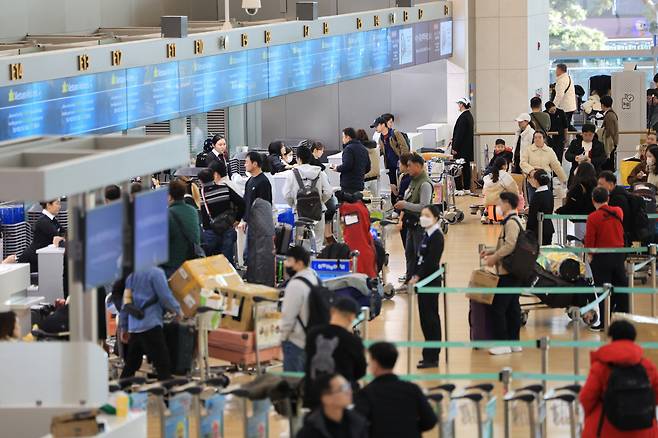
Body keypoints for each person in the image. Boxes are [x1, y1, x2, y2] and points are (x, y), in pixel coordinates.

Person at [580, 320, 658, 438]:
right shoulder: (647, 366)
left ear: (611, 338)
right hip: (643, 429)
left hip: (606, 429)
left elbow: (586, 398)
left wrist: (591, 417)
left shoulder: (601, 366)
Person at [354, 342, 438, 438]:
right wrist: (411, 428)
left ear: (375, 363)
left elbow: (357, 425)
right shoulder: (412, 389)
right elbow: (430, 420)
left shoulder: (366, 393)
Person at [119, 266, 183, 381]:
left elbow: (126, 304)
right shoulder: (156, 273)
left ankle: (120, 393)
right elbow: (165, 297)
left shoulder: (131, 276)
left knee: (131, 365)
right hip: (150, 324)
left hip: (134, 327)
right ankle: (167, 396)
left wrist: (124, 327)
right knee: (163, 365)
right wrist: (178, 311)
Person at [480, 192, 523, 355]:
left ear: (507, 203)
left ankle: (502, 343)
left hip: (508, 272)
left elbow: (510, 245)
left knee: (498, 308)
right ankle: (514, 342)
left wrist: (494, 257)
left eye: (500, 202)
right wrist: (490, 251)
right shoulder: (515, 220)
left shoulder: (511, 222)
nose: (498, 206)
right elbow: (507, 244)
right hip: (515, 270)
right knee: (512, 307)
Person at [304, 296, 367, 408]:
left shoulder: (313, 334)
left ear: (332, 311)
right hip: (340, 400)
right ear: (352, 317)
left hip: (313, 397)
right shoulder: (353, 341)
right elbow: (360, 372)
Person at [585, 187, 628, 330]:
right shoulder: (618, 211)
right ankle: (624, 321)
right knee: (621, 288)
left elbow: (590, 242)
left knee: (604, 291)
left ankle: (605, 322)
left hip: (601, 257)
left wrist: (590, 256)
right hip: (618, 255)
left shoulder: (592, 217)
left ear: (592, 200)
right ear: (608, 199)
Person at [409, 205, 445, 368]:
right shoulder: (426, 234)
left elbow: (431, 262)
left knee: (431, 319)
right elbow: (419, 258)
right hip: (422, 281)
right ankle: (427, 354)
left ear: (436, 218)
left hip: (430, 281)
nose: (423, 218)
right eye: (422, 215)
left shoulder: (437, 236)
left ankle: (433, 356)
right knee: (424, 319)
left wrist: (417, 276)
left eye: (427, 215)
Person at [283, 144, 333, 250]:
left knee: (299, 241)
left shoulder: (292, 174)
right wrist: (320, 201)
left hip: (300, 213)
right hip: (318, 212)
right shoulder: (320, 172)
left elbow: (286, 194)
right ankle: (315, 263)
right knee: (318, 241)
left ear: (298, 158)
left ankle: (302, 264)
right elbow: (328, 192)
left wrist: (295, 204)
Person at [393, 154, 433, 284]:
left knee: (418, 254)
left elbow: (424, 206)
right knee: (409, 254)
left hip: (420, 225)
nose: (407, 168)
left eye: (410, 166)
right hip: (411, 224)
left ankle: (420, 281)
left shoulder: (425, 184)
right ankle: (409, 280)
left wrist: (405, 205)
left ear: (418, 166)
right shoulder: (412, 181)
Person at [280, 245, 319, 372]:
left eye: (289, 261)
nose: (286, 264)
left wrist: (281, 339)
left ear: (299, 263)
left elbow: (288, 317)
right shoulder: (314, 277)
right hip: (312, 339)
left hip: (296, 342)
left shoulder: (295, 285)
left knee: (293, 384)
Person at [198, 165, 245, 265]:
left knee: (210, 262)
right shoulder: (225, 189)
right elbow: (242, 203)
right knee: (227, 261)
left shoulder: (200, 195)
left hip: (210, 231)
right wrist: (237, 219)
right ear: (213, 177)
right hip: (227, 228)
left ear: (200, 181)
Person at [297, 373, 368, 438]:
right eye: (343, 388)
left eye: (348, 387)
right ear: (325, 398)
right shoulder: (310, 431)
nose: (349, 392)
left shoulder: (357, 423)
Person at [162, 180, 202, 277]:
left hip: (173, 264)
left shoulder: (167, 215)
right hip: (190, 263)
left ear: (170, 197)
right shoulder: (192, 211)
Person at [18, 198, 65, 272]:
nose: (59, 206)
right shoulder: (43, 221)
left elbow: (63, 233)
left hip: (42, 257)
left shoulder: (52, 220)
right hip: (32, 260)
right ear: (48, 205)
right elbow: (58, 236)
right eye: (57, 203)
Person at [520, 131, 568, 202]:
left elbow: (556, 165)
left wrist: (564, 179)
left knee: (545, 201)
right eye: (535, 137)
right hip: (532, 179)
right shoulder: (528, 150)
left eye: (539, 137)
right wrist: (531, 171)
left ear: (544, 139)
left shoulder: (549, 151)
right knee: (533, 201)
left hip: (545, 179)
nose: (537, 139)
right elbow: (523, 163)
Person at [556, 162, 597, 241]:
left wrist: (560, 210)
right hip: (595, 219)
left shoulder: (578, 187)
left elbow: (572, 206)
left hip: (581, 220)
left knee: (581, 243)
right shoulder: (596, 185)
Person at [373, 116, 408, 201]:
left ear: (382, 125)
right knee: (393, 186)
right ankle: (395, 204)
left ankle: (402, 204)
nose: (375, 128)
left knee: (402, 185)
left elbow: (404, 147)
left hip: (399, 164)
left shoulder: (395, 133)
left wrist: (402, 161)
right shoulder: (381, 138)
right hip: (390, 165)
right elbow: (381, 151)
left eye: (376, 126)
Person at [238, 151, 272, 233]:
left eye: (246, 162)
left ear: (255, 164)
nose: (244, 165)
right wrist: (243, 219)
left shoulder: (263, 181)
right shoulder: (250, 180)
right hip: (249, 223)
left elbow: (264, 206)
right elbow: (246, 202)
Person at [331, 128, 370, 195]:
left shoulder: (348, 149)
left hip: (348, 184)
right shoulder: (364, 149)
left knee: (349, 204)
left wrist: (337, 168)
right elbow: (368, 168)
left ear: (348, 137)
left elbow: (347, 165)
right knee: (357, 204)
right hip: (359, 184)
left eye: (343, 137)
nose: (342, 139)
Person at [597, 171, 632, 244]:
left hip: (618, 238)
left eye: (601, 184)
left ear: (611, 185)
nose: (598, 187)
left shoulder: (618, 199)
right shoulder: (615, 195)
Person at [451, 97, 475, 191]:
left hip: (461, 149)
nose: (458, 106)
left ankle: (459, 189)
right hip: (467, 149)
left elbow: (459, 134)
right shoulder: (469, 116)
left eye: (458, 104)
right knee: (466, 168)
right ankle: (466, 188)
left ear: (462, 104)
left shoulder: (463, 117)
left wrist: (455, 147)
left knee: (458, 167)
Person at [526, 169, 554, 245]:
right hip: (548, 227)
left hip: (538, 230)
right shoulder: (549, 193)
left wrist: (527, 231)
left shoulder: (536, 195)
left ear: (536, 180)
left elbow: (532, 217)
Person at [396, 152, 413, 252]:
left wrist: (400, 218)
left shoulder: (406, 180)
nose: (398, 165)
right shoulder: (406, 177)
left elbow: (403, 199)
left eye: (400, 163)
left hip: (406, 215)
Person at [357, 128, 381, 196]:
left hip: (365, 177)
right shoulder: (375, 147)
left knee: (365, 200)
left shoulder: (359, 150)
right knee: (376, 199)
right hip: (375, 176)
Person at [553, 63, 577, 128]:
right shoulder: (568, 77)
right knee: (567, 124)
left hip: (565, 107)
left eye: (556, 69)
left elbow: (559, 95)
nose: (555, 71)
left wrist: (553, 106)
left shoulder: (561, 81)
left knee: (563, 126)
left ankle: (565, 137)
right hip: (570, 106)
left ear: (560, 70)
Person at [600, 95, 619, 170]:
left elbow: (610, 131)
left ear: (602, 105)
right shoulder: (612, 114)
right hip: (612, 142)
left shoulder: (609, 115)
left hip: (610, 143)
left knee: (608, 163)